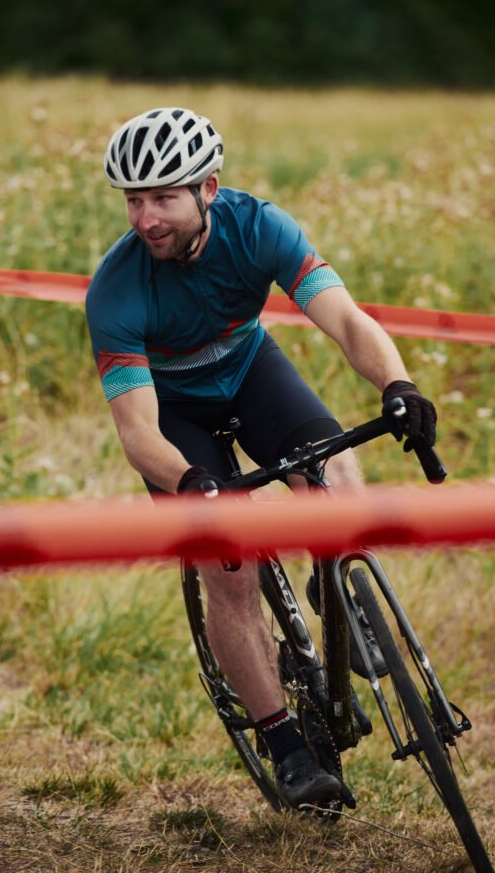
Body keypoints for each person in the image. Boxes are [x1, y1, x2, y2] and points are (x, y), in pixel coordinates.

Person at [85, 107, 437, 809]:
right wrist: (190, 480)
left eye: (163, 198)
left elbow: (345, 319)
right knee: (232, 570)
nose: (145, 219)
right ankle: (286, 749)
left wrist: (397, 385)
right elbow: (137, 431)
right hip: (175, 416)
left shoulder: (260, 227)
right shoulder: (115, 291)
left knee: (332, 469)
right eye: (133, 200)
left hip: (250, 370)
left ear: (208, 189)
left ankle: (337, 588)